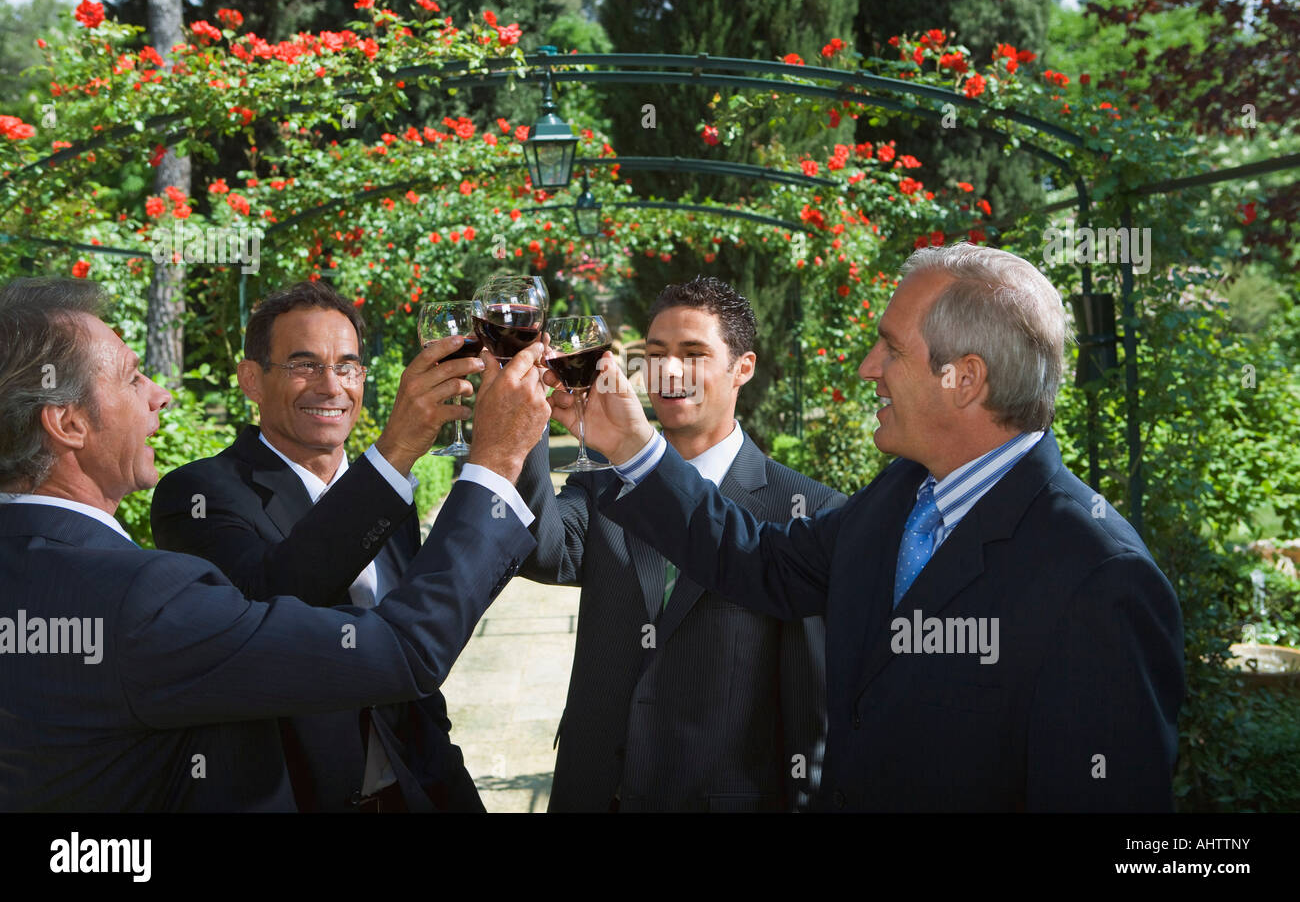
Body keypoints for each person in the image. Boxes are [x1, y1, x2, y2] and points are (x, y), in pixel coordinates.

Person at [548, 244, 1185, 812]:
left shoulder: (1098, 576)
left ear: (965, 379)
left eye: (892, 348)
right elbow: (760, 562)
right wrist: (632, 445)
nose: (867, 368)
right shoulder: (900, 493)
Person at [0, 276, 549, 811]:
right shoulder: (170, 542)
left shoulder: (35, 563)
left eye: (347, 365)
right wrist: (492, 461)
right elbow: (383, 638)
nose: (160, 395)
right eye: (131, 377)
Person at [521, 277, 844, 812]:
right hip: (595, 790)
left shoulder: (807, 511)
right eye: (655, 354)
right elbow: (541, 548)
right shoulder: (602, 479)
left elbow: (810, 715)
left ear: (743, 367)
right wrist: (527, 418)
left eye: (693, 354)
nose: (669, 373)